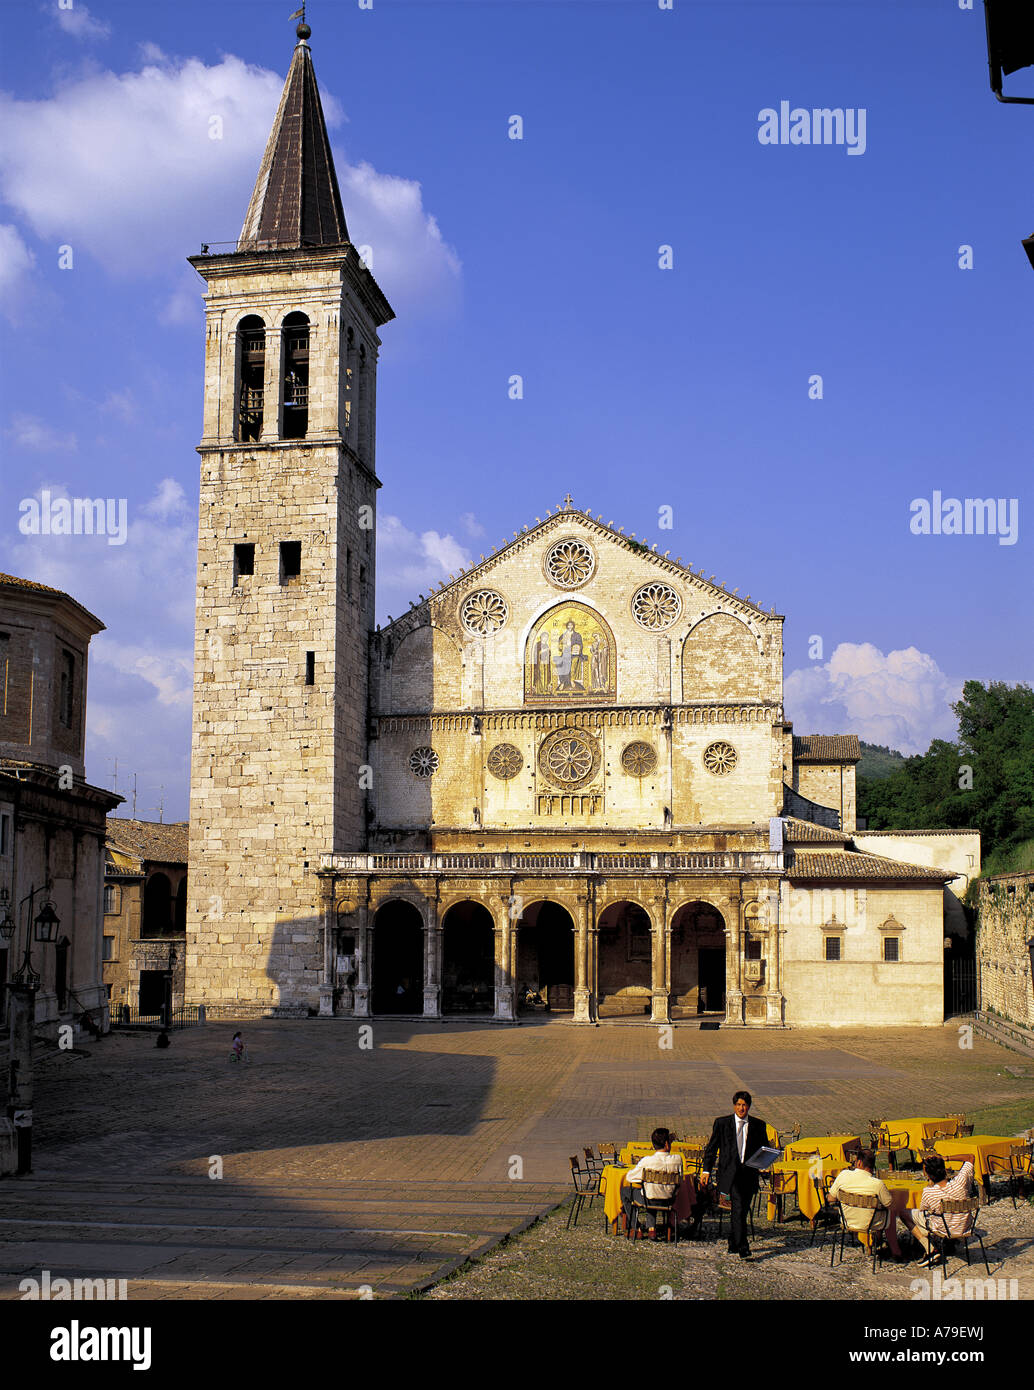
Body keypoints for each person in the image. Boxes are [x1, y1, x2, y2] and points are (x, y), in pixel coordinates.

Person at [700, 1090, 769, 1258]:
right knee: (738, 1208)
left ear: (749, 1107)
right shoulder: (722, 1124)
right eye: (738, 1105)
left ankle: (733, 1240)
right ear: (734, 1106)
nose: (741, 1108)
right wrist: (706, 1170)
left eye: (744, 1105)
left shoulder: (759, 1125)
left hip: (749, 1174)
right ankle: (743, 1247)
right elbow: (712, 1148)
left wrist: (765, 1163)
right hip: (730, 1175)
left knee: (742, 1210)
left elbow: (764, 1148)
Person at [826, 1148, 906, 1260]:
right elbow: (891, 1206)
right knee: (888, 1212)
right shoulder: (877, 1184)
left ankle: (873, 1243)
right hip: (871, 1223)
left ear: (858, 1162)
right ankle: (895, 1250)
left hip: (848, 1220)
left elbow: (830, 1198)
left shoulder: (843, 1175)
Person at [900, 1155, 975, 1267]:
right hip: (965, 1227)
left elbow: (924, 1209)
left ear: (928, 1175)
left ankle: (929, 1248)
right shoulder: (960, 1182)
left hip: (943, 1229)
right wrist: (946, 1158)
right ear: (945, 1170)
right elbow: (970, 1157)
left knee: (904, 1213)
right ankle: (948, 1243)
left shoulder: (928, 1192)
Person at [622, 1127, 684, 1237]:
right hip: (669, 1199)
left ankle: (636, 1227)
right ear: (666, 1144)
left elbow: (630, 1178)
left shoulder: (647, 1161)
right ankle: (651, 1228)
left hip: (649, 1200)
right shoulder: (678, 1159)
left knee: (626, 1191)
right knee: (653, 1189)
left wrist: (641, 1179)